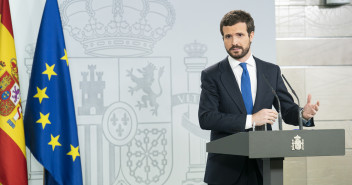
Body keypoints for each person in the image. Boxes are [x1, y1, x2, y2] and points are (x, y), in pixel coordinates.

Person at [198, 10, 320, 185]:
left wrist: (303, 115)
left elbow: (286, 109)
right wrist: (251, 120)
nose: (234, 42)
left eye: (240, 35)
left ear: (251, 35)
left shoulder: (270, 71)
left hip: (265, 167)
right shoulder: (212, 75)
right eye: (228, 36)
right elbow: (206, 118)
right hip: (226, 170)